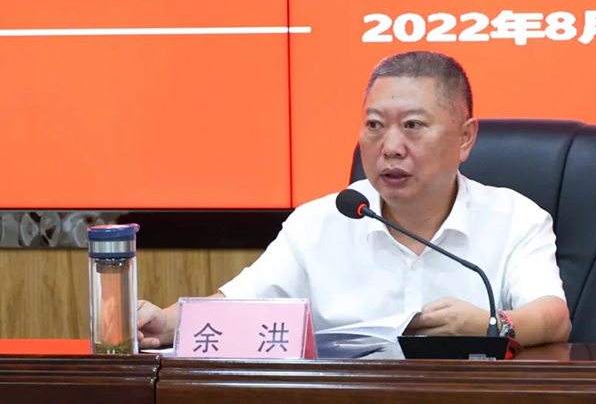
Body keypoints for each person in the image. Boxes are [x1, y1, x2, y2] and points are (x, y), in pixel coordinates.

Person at [138, 51, 571, 348]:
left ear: (464, 138)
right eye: (375, 125)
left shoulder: (515, 219)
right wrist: (167, 322)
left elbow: (553, 317)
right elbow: (238, 304)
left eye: (413, 126)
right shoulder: (319, 223)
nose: (391, 147)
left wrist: (491, 324)